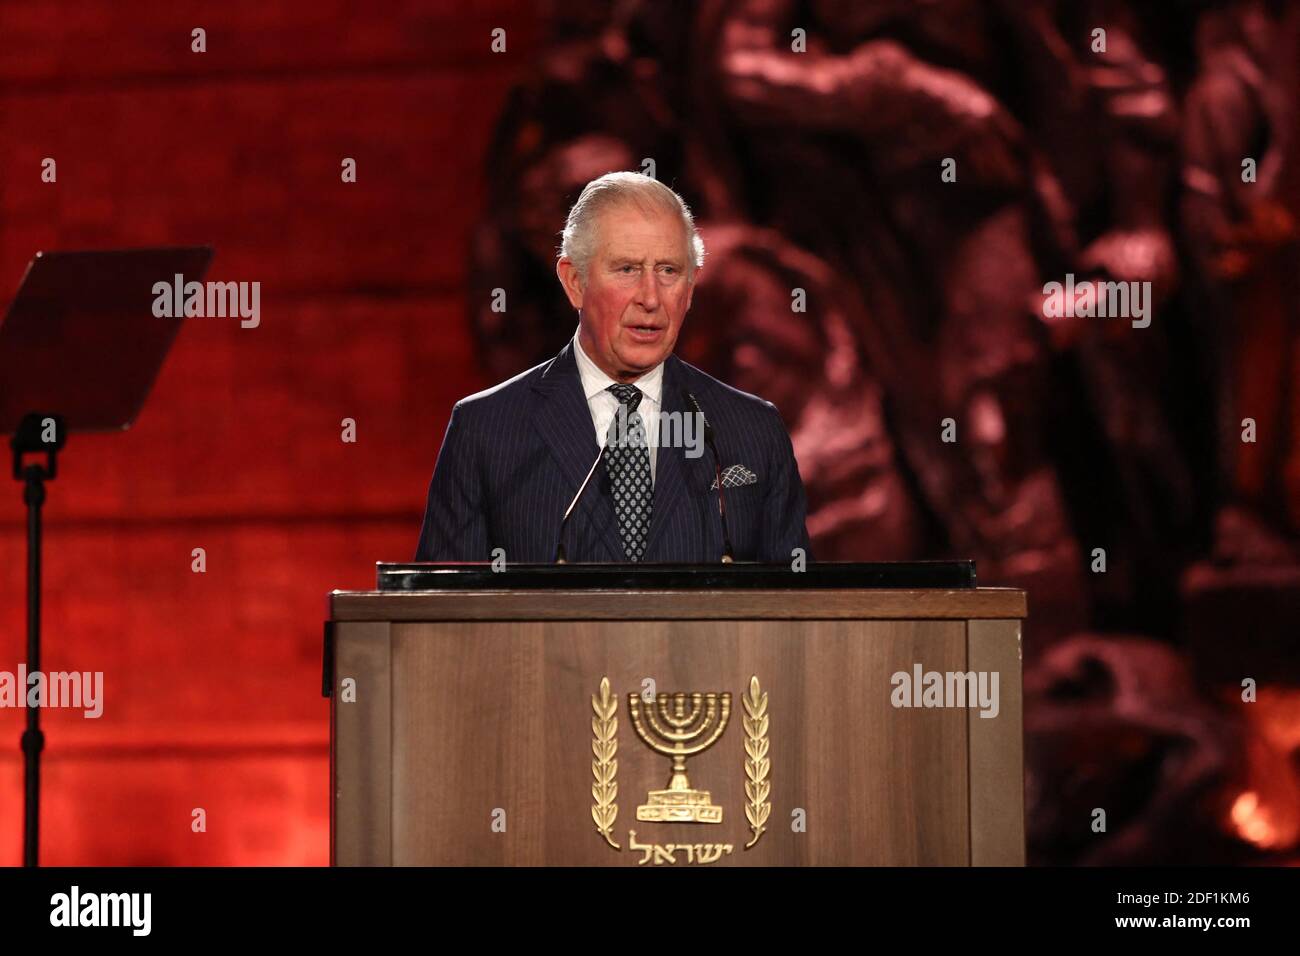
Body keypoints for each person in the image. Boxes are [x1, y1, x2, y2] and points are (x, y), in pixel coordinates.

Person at [415, 171, 811, 563]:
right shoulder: (486, 429)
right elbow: (443, 616)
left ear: (690, 290)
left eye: (669, 271)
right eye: (627, 269)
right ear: (574, 282)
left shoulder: (751, 431)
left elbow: (796, 614)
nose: (651, 298)